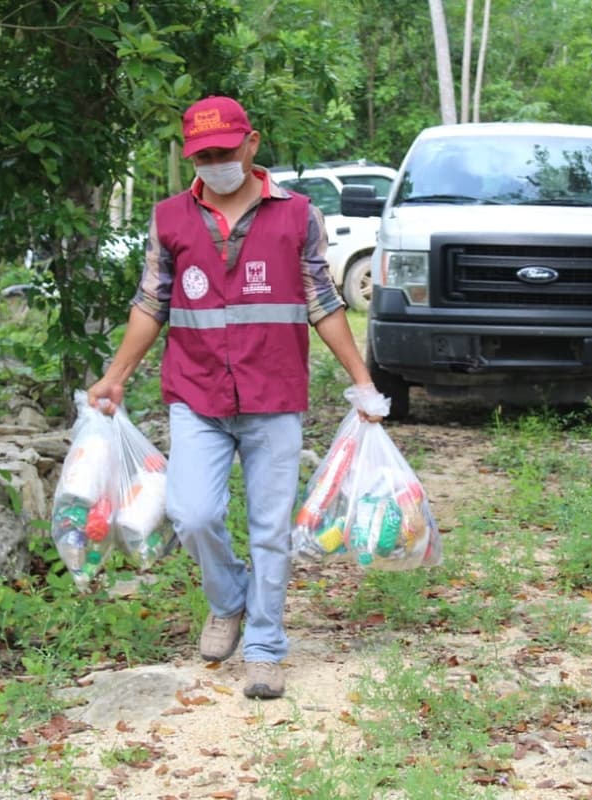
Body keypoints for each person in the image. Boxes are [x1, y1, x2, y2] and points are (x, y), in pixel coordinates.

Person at [87, 95, 384, 700]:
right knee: (192, 513)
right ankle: (228, 600)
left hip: (273, 395)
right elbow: (151, 304)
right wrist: (116, 375)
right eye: (203, 156)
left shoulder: (298, 215)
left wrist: (361, 380)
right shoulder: (170, 218)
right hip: (196, 394)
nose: (215, 164)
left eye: (225, 152)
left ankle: (266, 646)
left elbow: (324, 303)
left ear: (251, 144)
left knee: (271, 529)